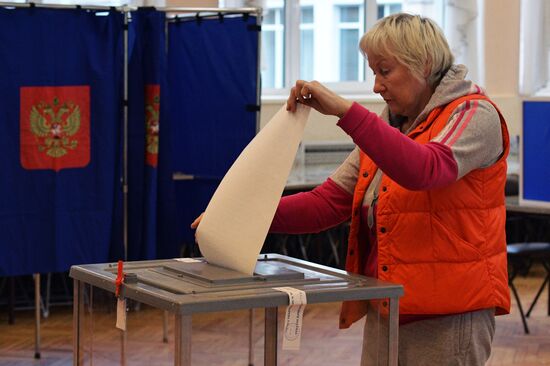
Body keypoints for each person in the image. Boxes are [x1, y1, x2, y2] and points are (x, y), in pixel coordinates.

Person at [192, 13, 511, 365]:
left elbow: (425, 168)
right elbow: (326, 204)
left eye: (384, 71)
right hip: (388, 303)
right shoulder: (391, 131)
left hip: (449, 317)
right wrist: (240, 219)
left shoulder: (473, 113)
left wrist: (345, 111)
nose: (376, 86)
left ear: (424, 64)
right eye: (373, 72)